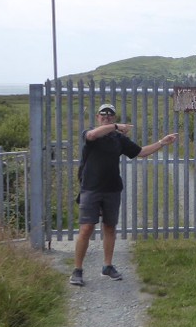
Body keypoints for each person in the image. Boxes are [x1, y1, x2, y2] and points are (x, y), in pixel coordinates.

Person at [69, 103, 178, 286]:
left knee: (110, 227)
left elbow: (141, 152)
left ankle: (107, 266)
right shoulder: (90, 134)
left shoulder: (119, 140)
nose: (107, 116)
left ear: (114, 116)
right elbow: (93, 135)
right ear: (97, 117)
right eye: (103, 114)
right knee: (86, 228)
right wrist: (117, 126)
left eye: (110, 115)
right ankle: (77, 270)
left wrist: (162, 142)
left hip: (112, 189)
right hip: (90, 189)